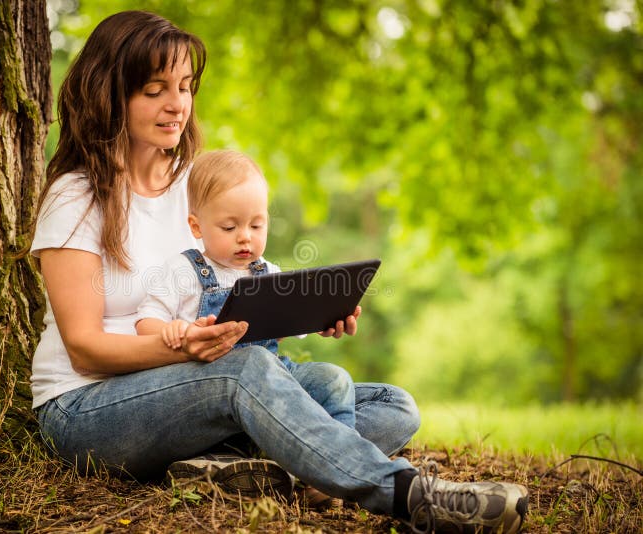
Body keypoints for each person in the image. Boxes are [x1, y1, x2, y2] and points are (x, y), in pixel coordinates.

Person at [29, 10, 529, 533]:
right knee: (247, 372)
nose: (176, 105)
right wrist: (187, 348)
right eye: (155, 90)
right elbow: (84, 346)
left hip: (200, 389)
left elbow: (235, 284)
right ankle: (407, 496)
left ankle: (226, 467)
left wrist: (311, 312)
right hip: (88, 409)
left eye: (183, 87)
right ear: (111, 95)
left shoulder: (193, 189)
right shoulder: (78, 196)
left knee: (391, 404)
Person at [135, 149, 356, 431]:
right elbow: (145, 321)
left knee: (334, 380)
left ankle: (336, 445)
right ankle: (302, 442)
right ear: (196, 226)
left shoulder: (268, 272)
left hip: (275, 382)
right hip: (213, 389)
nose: (245, 237)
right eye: (229, 227)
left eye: (256, 225)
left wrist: (324, 319)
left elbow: (294, 319)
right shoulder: (183, 270)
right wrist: (172, 330)